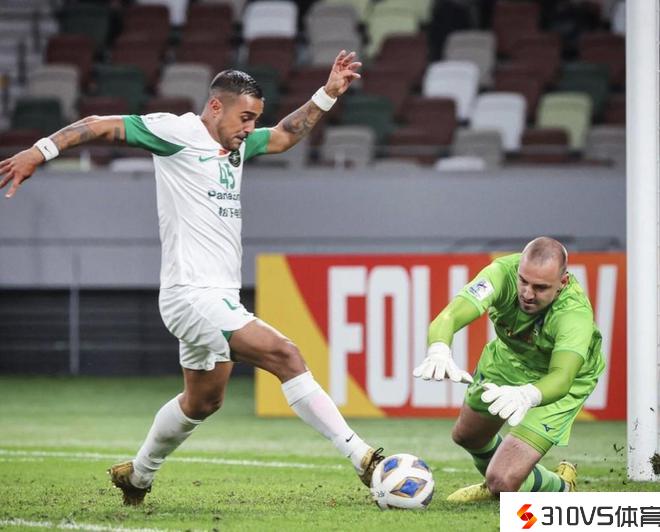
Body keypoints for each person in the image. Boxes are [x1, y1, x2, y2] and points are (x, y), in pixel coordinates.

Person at [0, 50, 385, 506]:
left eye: (254, 119)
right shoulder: (177, 133)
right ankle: (362, 457)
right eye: (245, 117)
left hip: (218, 296)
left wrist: (327, 94)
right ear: (216, 106)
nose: (250, 128)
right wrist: (39, 151)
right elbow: (101, 124)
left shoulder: (237, 147)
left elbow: (284, 136)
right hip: (191, 295)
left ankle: (138, 476)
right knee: (286, 355)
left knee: (202, 401)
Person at [413, 237, 605, 501]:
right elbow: (450, 316)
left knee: (502, 482)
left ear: (562, 283)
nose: (527, 293)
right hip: (509, 359)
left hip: (561, 381)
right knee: (467, 436)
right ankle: (499, 480)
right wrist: (439, 349)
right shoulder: (500, 273)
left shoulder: (574, 314)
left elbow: (562, 376)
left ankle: (561, 486)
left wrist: (527, 395)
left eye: (540, 287)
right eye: (523, 281)